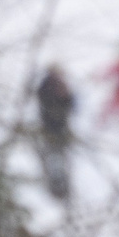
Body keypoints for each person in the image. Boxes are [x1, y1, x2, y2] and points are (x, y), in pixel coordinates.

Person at [34, 65, 76, 201]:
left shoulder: (61, 85)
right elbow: (44, 104)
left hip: (61, 128)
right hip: (51, 129)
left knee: (61, 159)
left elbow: (70, 103)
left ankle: (63, 188)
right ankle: (56, 188)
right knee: (54, 158)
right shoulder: (46, 86)